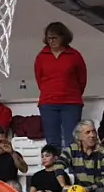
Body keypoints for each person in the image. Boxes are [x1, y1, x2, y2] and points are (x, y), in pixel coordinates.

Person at [36, 22, 87, 151]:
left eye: (55, 38)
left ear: (63, 37)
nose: (51, 41)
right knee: (52, 141)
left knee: (73, 140)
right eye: (49, 38)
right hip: (48, 103)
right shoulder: (41, 57)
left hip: (71, 103)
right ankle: (55, 170)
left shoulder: (75, 55)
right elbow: (39, 79)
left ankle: (73, 170)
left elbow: (82, 79)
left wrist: (71, 93)